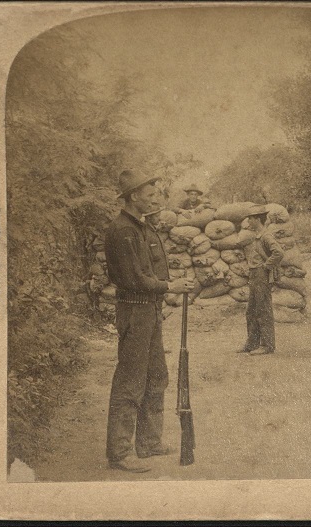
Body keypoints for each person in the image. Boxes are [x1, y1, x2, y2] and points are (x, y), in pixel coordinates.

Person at [104, 169, 194, 472]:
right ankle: (119, 452)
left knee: (156, 376)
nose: (155, 197)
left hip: (150, 311)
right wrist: (170, 287)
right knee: (130, 380)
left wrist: (171, 282)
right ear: (133, 196)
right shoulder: (122, 231)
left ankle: (149, 442)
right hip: (134, 310)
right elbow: (134, 278)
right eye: (150, 193)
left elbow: (153, 272)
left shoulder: (143, 227)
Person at [239, 204, 285, 356]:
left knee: (263, 309)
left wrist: (266, 266)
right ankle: (252, 343)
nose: (248, 222)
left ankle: (267, 345)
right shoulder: (257, 235)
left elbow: (278, 252)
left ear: (258, 219)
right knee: (251, 310)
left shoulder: (266, 236)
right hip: (255, 275)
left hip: (261, 275)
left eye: (250, 219)